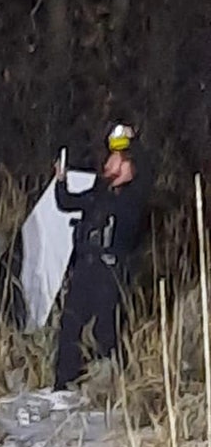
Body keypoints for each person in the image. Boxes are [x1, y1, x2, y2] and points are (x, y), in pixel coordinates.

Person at [53, 123, 154, 390]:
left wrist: (131, 144)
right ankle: (64, 383)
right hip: (86, 267)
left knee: (107, 330)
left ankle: (110, 383)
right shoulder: (99, 192)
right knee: (70, 323)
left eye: (115, 161)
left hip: (111, 271)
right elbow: (67, 202)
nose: (108, 165)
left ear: (129, 167)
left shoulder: (134, 197)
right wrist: (60, 180)